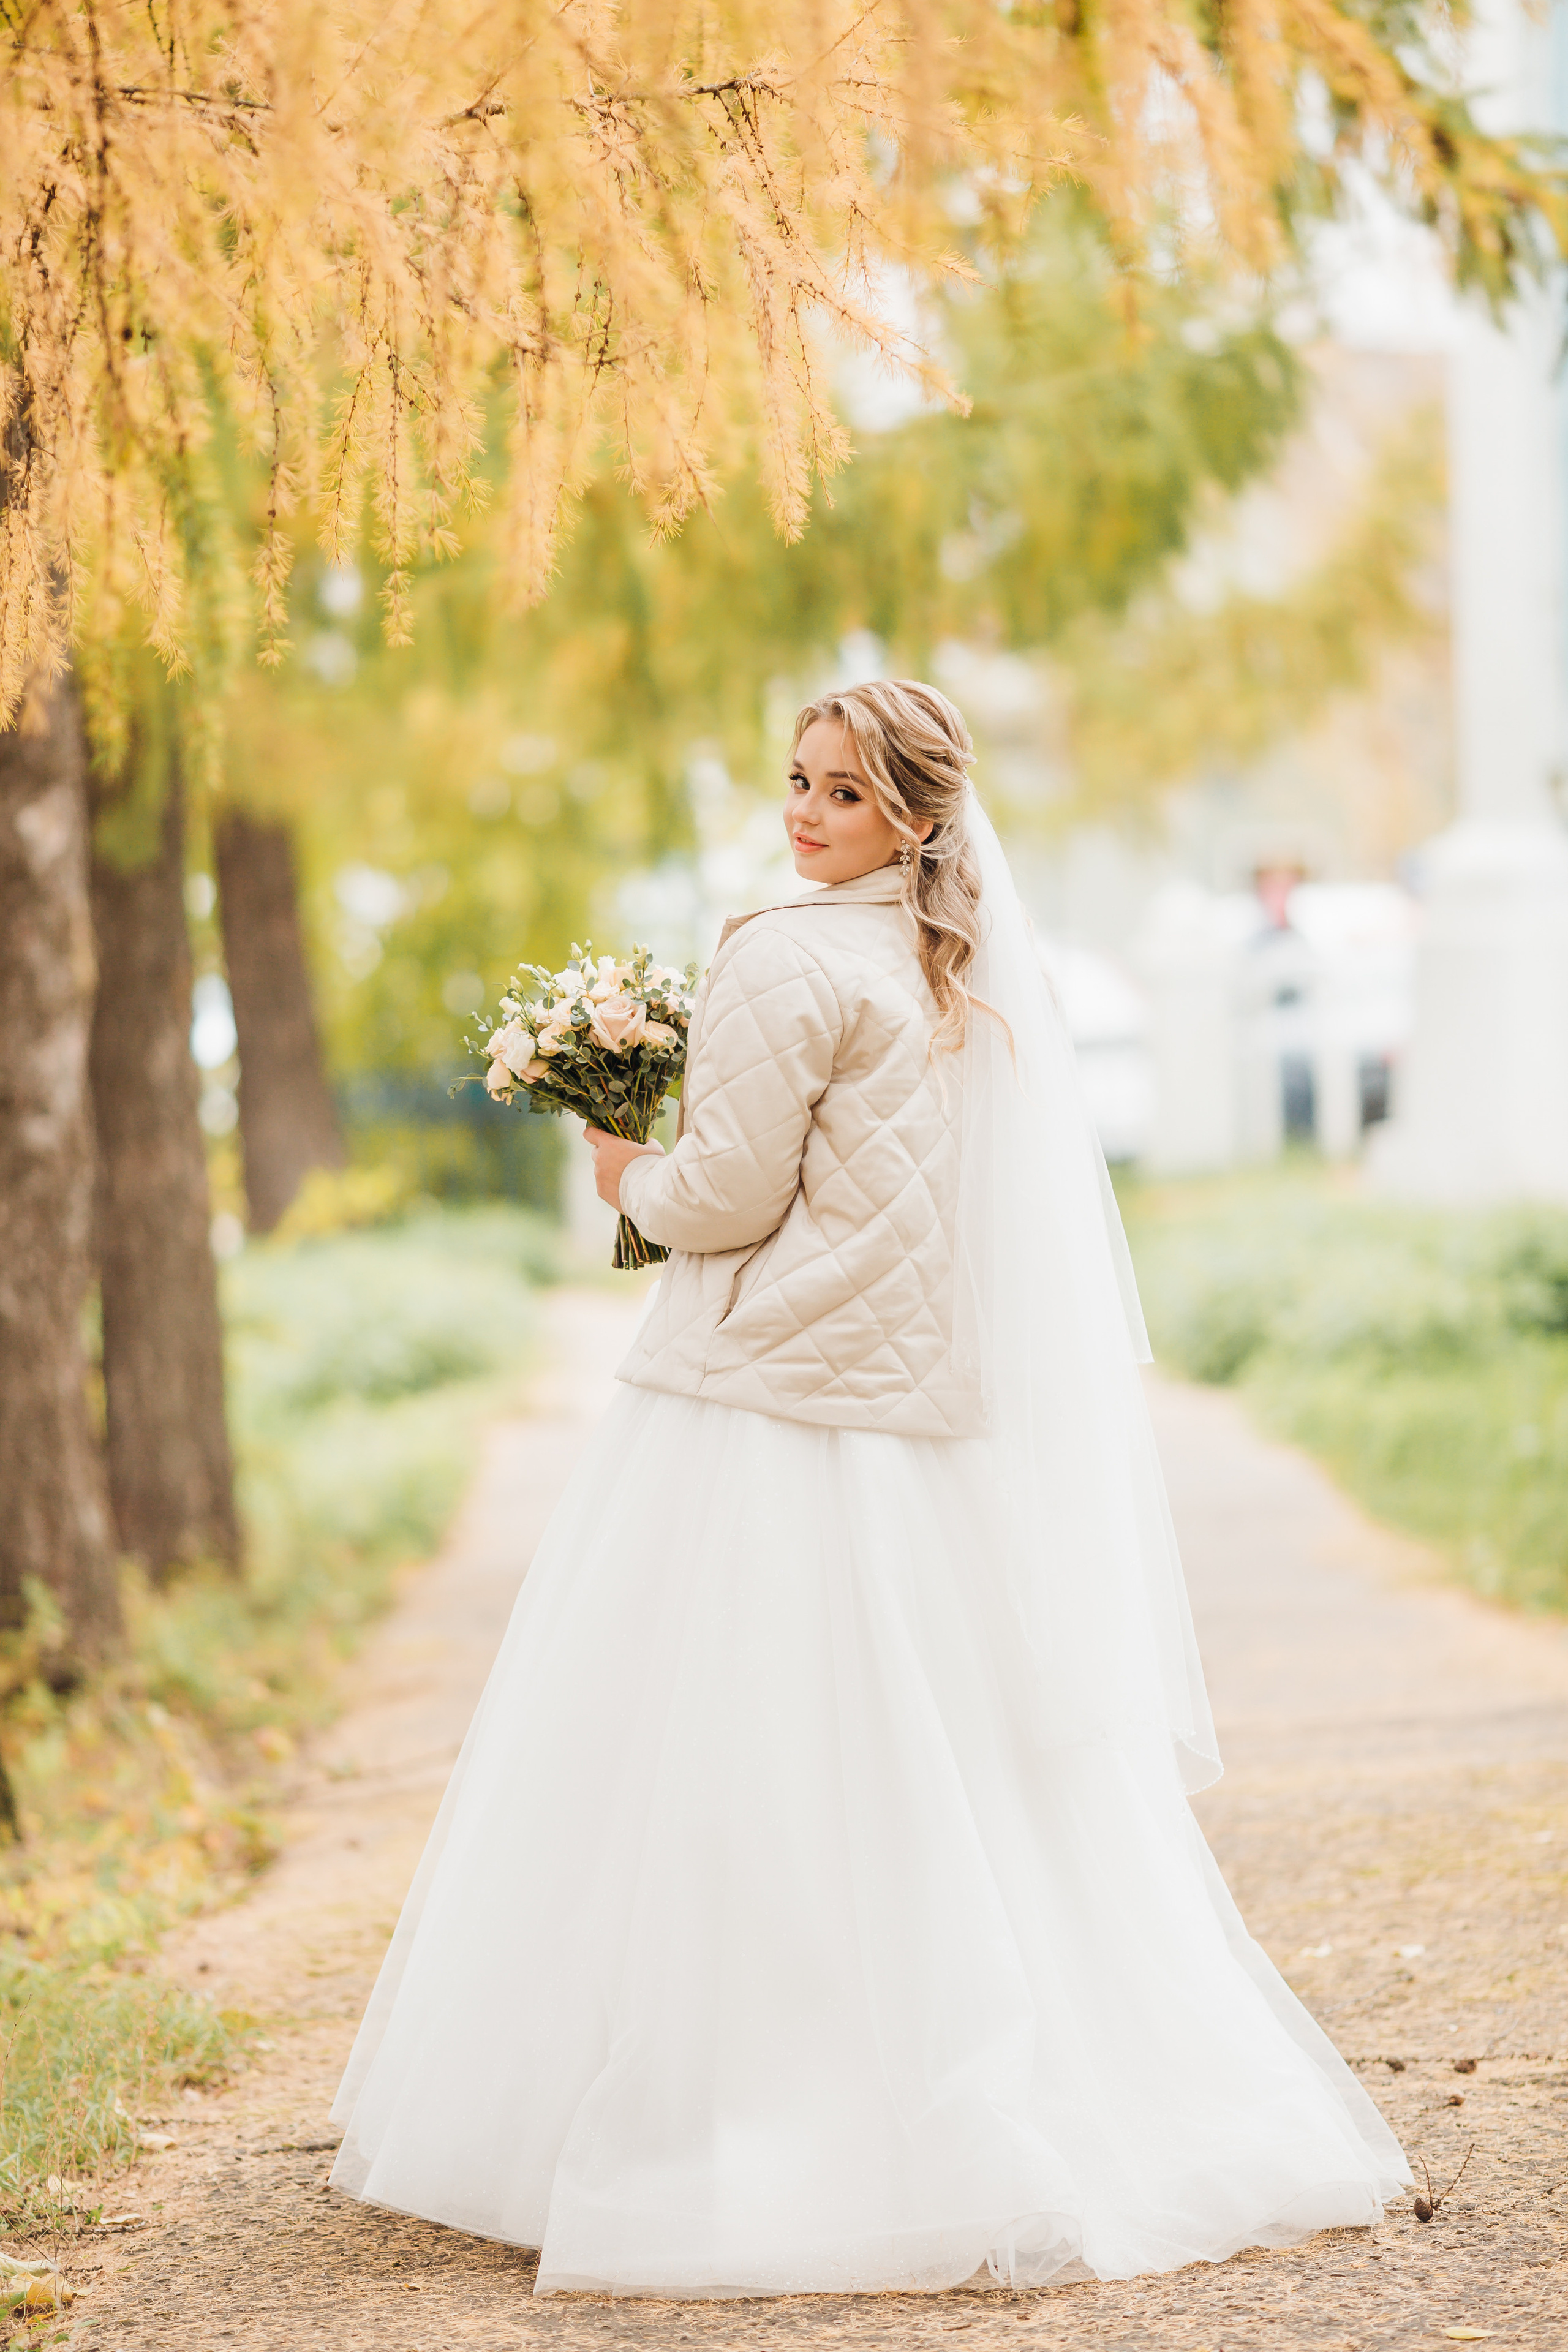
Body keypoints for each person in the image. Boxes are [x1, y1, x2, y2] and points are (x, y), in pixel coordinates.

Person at [329, 679, 1409, 2296]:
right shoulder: (958, 962)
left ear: (912, 814)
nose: (801, 815)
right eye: (795, 781)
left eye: (839, 793)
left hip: (764, 1400)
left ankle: (732, 2116)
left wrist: (628, 1169)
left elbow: (731, 1194)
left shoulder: (781, 951)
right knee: (942, 1766)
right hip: (917, 1414)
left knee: (718, 1762)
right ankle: (988, 2105)